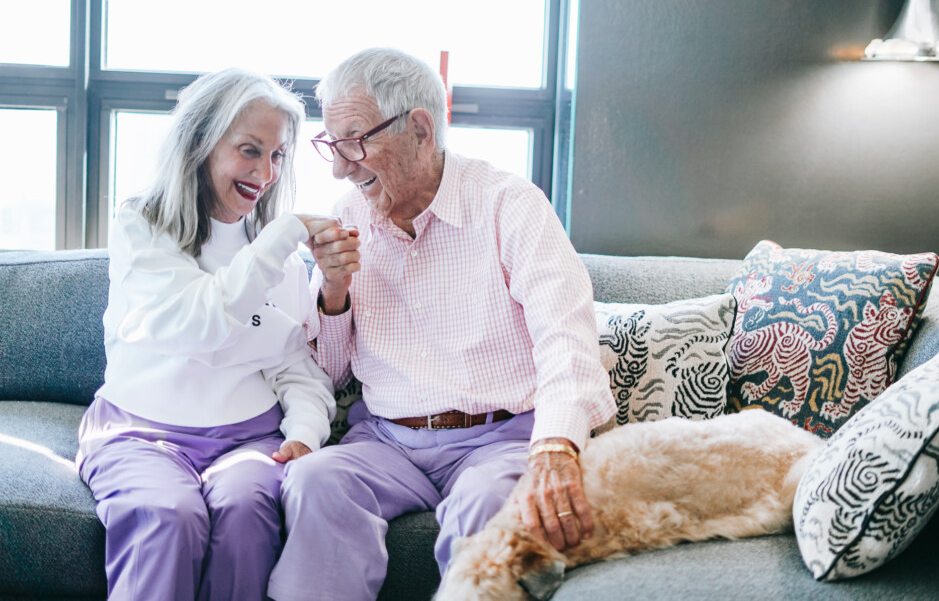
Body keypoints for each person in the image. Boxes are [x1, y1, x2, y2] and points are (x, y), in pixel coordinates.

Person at [267, 48, 617, 601]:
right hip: (386, 441)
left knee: (485, 504)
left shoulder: (509, 205)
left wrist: (556, 446)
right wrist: (332, 291)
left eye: (354, 140)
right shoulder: (350, 213)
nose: (339, 166)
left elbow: (566, 337)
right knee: (315, 481)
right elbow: (328, 374)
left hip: (499, 438)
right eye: (331, 145)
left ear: (421, 129)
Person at [76, 68, 337, 601]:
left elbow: (296, 366)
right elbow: (200, 324)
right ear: (200, 143)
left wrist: (305, 431)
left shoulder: (275, 253)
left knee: (245, 509)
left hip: (249, 437)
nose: (265, 172)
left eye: (278, 155)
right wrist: (284, 236)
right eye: (249, 149)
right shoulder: (143, 226)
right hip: (139, 433)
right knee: (167, 515)